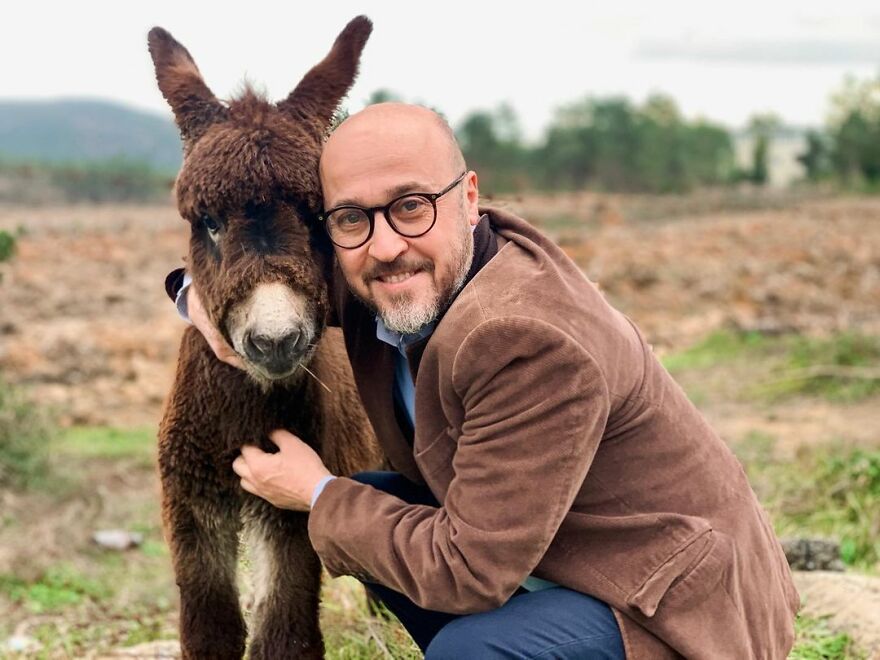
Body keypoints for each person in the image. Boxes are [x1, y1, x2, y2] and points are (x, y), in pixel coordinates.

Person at [167, 103, 799, 659]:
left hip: (671, 606)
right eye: (353, 218)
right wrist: (197, 293)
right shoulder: (410, 271)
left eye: (411, 206)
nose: (385, 245)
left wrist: (317, 492)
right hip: (565, 558)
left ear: (468, 198)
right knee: (375, 502)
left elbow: (468, 571)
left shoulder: (528, 338)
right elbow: (275, 277)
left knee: (468, 644)